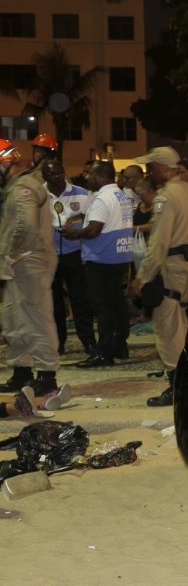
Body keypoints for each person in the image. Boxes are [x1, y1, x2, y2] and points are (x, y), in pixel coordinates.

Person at [130, 147, 188, 407]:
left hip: (170, 268)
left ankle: (179, 387)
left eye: (152, 166)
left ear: (164, 168)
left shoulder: (166, 197)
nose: (149, 171)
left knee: (168, 330)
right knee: (180, 324)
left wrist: (142, 277)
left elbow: (159, 242)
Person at [0, 140, 61, 397]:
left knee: (36, 320)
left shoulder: (24, 188)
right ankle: (22, 372)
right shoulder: (17, 187)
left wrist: (12, 254)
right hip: (21, 263)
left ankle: (46, 376)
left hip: (28, 261)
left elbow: (26, 226)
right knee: (14, 320)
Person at [61, 159, 133, 369]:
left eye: (90, 174)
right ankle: (119, 345)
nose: (87, 177)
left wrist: (74, 234)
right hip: (119, 255)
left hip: (102, 258)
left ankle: (104, 352)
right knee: (117, 303)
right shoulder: (119, 195)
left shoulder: (102, 198)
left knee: (103, 307)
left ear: (101, 176)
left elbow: (94, 230)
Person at [43, 157, 97, 358]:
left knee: (80, 300)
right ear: (44, 176)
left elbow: (93, 218)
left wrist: (76, 220)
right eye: (52, 174)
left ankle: (88, 342)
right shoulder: (39, 194)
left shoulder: (81, 194)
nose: (57, 177)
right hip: (49, 255)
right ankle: (58, 342)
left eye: (59, 172)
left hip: (75, 253)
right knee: (54, 302)